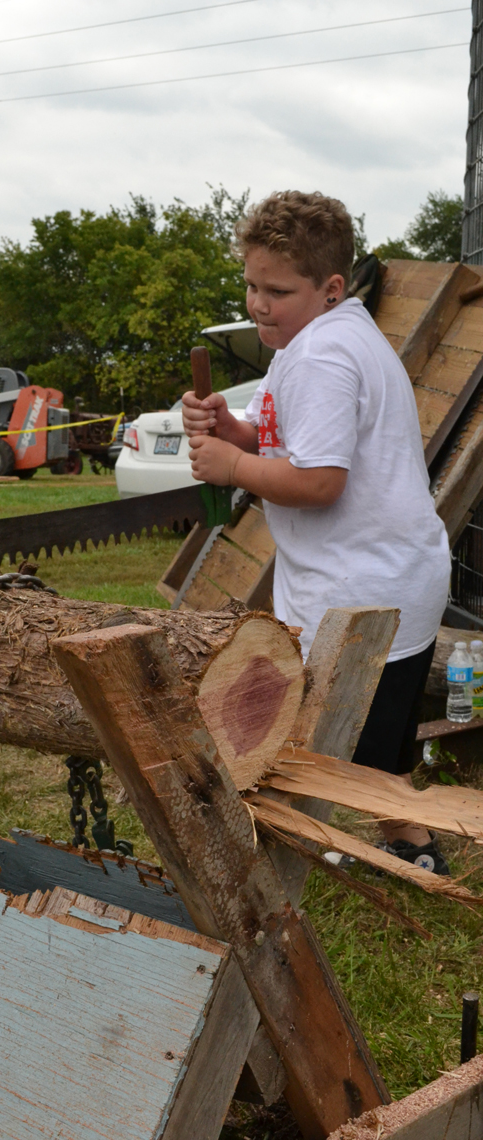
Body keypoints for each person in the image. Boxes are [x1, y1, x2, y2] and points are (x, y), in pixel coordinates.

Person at [181, 190, 452, 873]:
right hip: (388, 575)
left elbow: (321, 480)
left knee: (347, 738)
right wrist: (235, 430)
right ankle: (400, 840)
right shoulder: (325, 336)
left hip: (365, 591)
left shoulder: (321, 357)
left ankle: (402, 848)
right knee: (374, 737)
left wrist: (232, 462)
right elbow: (291, 443)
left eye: (277, 290)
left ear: (331, 286)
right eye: (250, 284)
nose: (257, 304)